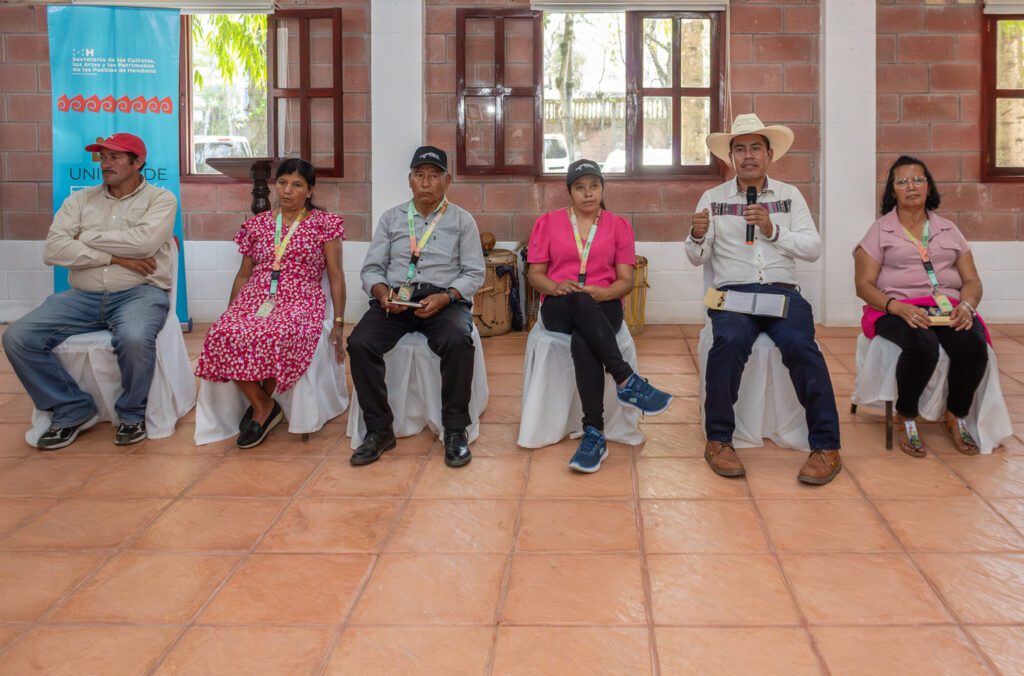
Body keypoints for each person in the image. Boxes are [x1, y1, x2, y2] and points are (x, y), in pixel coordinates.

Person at [686, 113, 842, 485]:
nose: (748, 155)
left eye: (756, 147)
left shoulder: (789, 197)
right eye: (740, 149)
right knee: (728, 342)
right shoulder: (713, 198)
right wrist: (695, 235)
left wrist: (773, 231)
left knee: (802, 347)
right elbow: (697, 257)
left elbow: (813, 248)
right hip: (733, 294)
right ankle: (719, 441)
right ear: (731, 158)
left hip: (780, 292)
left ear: (769, 154)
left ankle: (827, 446)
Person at [3, 132, 176, 450]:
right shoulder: (79, 201)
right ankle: (71, 408)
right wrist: (113, 256)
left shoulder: (160, 200)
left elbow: (144, 243)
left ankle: (131, 414)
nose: (105, 163)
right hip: (83, 297)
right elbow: (53, 250)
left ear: (138, 162)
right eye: (102, 157)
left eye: (115, 157)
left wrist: (85, 236)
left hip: (139, 292)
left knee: (135, 338)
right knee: (18, 337)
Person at [527, 159, 673, 473]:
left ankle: (594, 432)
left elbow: (624, 281)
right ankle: (626, 378)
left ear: (603, 188)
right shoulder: (548, 222)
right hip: (559, 302)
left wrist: (600, 293)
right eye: (580, 187)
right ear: (569, 192)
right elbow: (534, 275)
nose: (588, 193)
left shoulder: (618, 225)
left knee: (584, 339)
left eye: (594, 186)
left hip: (604, 302)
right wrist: (554, 286)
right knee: (578, 302)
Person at [346, 146, 485, 468]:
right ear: (410, 180)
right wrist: (382, 295)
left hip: (443, 299)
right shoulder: (392, 218)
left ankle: (454, 429)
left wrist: (446, 297)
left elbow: (474, 272)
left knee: (457, 342)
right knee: (360, 343)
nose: (426, 182)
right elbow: (371, 270)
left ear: (446, 181)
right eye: (419, 175)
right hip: (395, 300)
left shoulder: (462, 220)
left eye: (433, 176)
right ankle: (379, 430)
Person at [195, 158, 346, 449]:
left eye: (297, 185)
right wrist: (232, 312)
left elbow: (337, 276)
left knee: (280, 331)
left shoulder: (324, 224)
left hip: (301, 295)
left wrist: (339, 322)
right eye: (282, 183)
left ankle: (262, 409)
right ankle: (263, 403)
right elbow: (243, 274)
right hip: (257, 294)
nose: (287, 190)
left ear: (310, 191)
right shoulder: (257, 225)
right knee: (223, 333)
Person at [854, 155, 987, 456]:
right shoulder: (880, 230)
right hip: (895, 307)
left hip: (947, 306)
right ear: (892, 191)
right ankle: (907, 415)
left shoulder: (949, 230)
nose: (911, 186)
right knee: (921, 345)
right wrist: (896, 307)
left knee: (973, 346)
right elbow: (863, 285)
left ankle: (955, 414)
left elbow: (972, 280)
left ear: (929, 187)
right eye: (902, 181)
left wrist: (966, 306)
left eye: (918, 180)